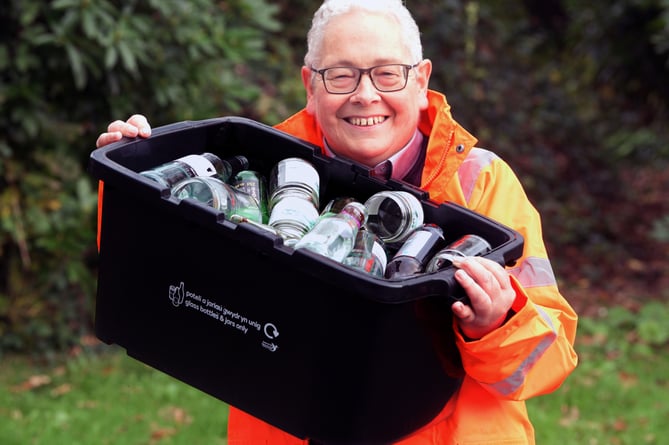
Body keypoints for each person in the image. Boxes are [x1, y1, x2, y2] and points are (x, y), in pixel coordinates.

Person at [95, 0, 578, 443]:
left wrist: (496, 322)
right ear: (310, 85)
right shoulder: (257, 171)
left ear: (421, 79)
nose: (365, 95)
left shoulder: (480, 183)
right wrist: (131, 172)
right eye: (341, 76)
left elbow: (549, 361)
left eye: (387, 74)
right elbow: (162, 271)